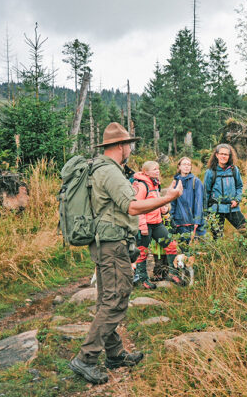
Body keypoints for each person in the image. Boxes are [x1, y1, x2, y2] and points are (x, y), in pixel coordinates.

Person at [69, 122, 182, 385]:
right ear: (121, 146)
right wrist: (170, 197)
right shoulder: (109, 172)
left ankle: (115, 353)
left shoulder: (103, 168)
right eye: (129, 144)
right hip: (111, 244)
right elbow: (132, 207)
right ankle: (85, 358)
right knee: (116, 300)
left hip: (105, 243)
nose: (131, 148)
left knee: (107, 299)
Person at [132, 161, 186, 288]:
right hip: (145, 224)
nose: (157, 171)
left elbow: (155, 201)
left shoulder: (155, 183)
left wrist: (163, 208)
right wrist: (142, 226)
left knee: (171, 245)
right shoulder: (143, 185)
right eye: (154, 169)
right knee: (142, 251)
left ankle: (173, 273)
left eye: (158, 168)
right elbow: (137, 206)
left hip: (157, 223)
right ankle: (141, 279)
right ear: (146, 172)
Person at [204, 144, 246, 240]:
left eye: (226, 154)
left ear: (229, 156)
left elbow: (239, 186)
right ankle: (219, 254)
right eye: (221, 154)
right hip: (216, 209)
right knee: (217, 237)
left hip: (232, 207)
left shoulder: (234, 170)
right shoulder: (210, 172)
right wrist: (205, 212)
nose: (223, 156)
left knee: (244, 229)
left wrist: (237, 199)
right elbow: (205, 193)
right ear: (216, 155)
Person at [170, 157, 206, 244]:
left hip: (193, 222)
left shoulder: (196, 181)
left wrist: (197, 221)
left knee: (197, 249)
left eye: (189, 165)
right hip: (179, 222)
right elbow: (173, 202)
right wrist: (172, 218)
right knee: (183, 248)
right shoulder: (175, 182)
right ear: (179, 167)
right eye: (184, 164)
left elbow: (199, 202)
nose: (187, 166)